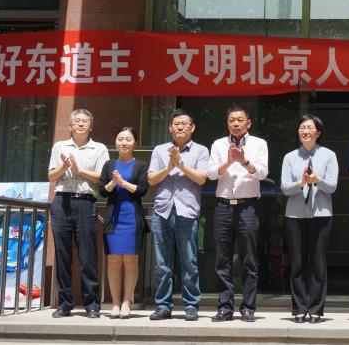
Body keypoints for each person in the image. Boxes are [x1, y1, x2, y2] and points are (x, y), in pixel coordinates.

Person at [207, 105, 268, 322]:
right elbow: (211, 173)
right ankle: (225, 307)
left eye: (240, 120)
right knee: (222, 259)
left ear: (248, 123)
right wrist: (229, 162)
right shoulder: (218, 144)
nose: (235, 124)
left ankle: (248, 307)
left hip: (247, 206)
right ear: (227, 123)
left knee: (249, 259)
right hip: (223, 206)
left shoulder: (259, 144)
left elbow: (263, 172)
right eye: (232, 120)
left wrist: (244, 162)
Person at [147, 109, 209, 322]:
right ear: (170, 128)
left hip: (187, 212)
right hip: (162, 211)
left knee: (189, 262)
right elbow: (152, 180)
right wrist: (169, 166)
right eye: (176, 124)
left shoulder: (201, 150)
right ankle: (163, 306)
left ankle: (191, 306)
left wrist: (180, 164)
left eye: (184, 124)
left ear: (192, 128)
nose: (180, 127)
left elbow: (201, 178)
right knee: (162, 264)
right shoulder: (160, 150)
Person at [47, 109, 109, 318]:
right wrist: (64, 166)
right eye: (77, 121)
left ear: (91, 126)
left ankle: (92, 304)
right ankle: (65, 303)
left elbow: (102, 177)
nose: (81, 124)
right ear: (70, 125)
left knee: (88, 255)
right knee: (62, 254)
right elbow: (51, 176)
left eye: (85, 121)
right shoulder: (60, 146)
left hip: (86, 201)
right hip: (62, 201)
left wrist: (79, 170)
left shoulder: (99, 148)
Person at [280, 114, 339, 323]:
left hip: (321, 215)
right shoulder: (290, 157)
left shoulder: (329, 155)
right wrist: (301, 183)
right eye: (302, 127)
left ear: (318, 133)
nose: (305, 131)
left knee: (317, 264)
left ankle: (315, 309)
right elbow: (284, 187)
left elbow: (332, 186)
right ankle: (298, 308)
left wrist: (317, 180)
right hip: (294, 215)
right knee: (297, 264)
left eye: (310, 128)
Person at [98, 127, 149, 320]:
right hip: (114, 217)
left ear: (135, 143)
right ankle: (115, 303)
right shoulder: (109, 164)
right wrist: (113, 183)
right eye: (120, 139)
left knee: (130, 259)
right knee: (113, 260)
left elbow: (142, 190)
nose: (124, 143)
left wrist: (122, 182)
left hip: (132, 218)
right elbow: (102, 191)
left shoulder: (141, 165)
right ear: (116, 142)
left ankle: (127, 301)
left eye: (128, 139)